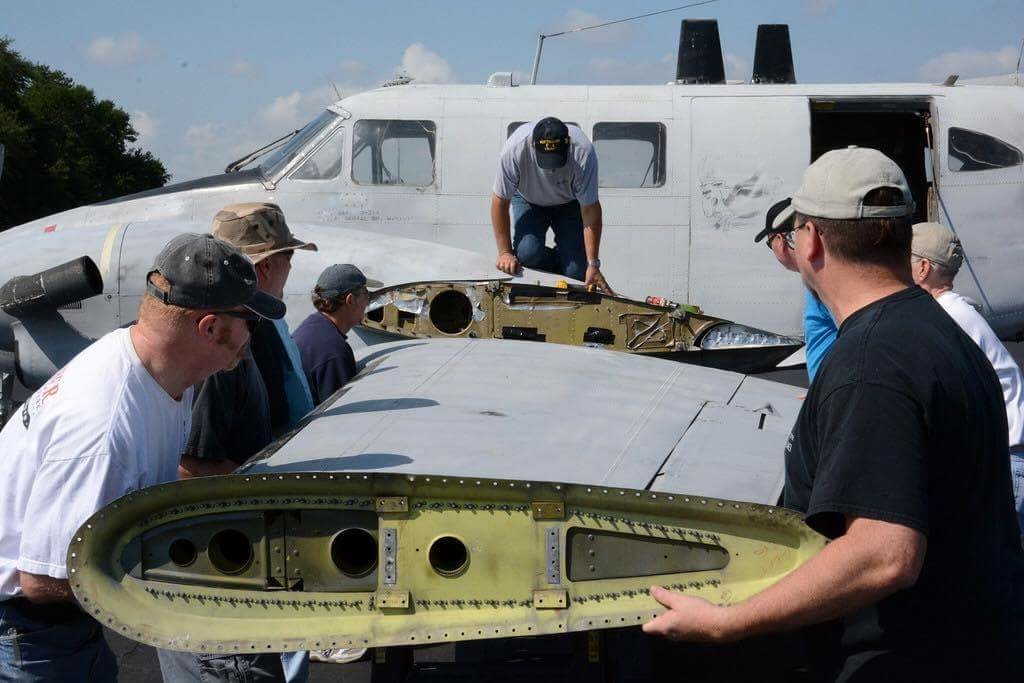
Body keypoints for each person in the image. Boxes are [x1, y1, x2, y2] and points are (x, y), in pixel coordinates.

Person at [644, 147, 1024, 680]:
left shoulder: (871, 362)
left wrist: (727, 623)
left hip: (903, 661)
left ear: (812, 241)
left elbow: (885, 554)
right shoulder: (940, 333)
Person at [0, 233, 283, 682]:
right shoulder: (104, 425)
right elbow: (44, 578)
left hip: (59, 626)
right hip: (29, 632)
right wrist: (173, 576)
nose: (251, 338)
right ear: (211, 328)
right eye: (250, 322)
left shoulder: (162, 376)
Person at [910, 221, 1024, 537]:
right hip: (1007, 456)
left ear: (923, 268)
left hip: (1002, 460)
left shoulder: (945, 319)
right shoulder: (957, 312)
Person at [491, 116, 613, 293]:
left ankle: (572, 264)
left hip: (569, 202)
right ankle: (565, 262)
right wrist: (505, 253)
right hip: (528, 199)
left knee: (576, 272)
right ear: (532, 145)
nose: (551, 169)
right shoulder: (514, 150)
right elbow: (499, 202)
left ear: (568, 144)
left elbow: (590, 209)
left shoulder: (583, 152)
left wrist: (593, 264)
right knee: (527, 254)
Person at [756, 198, 837, 381]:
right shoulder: (818, 278)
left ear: (780, 240)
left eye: (769, 243)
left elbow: (855, 341)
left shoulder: (822, 282)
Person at [293, 264, 382, 406]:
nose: (367, 301)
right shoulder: (334, 351)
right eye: (366, 294)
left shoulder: (312, 326)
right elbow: (342, 413)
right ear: (350, 300)